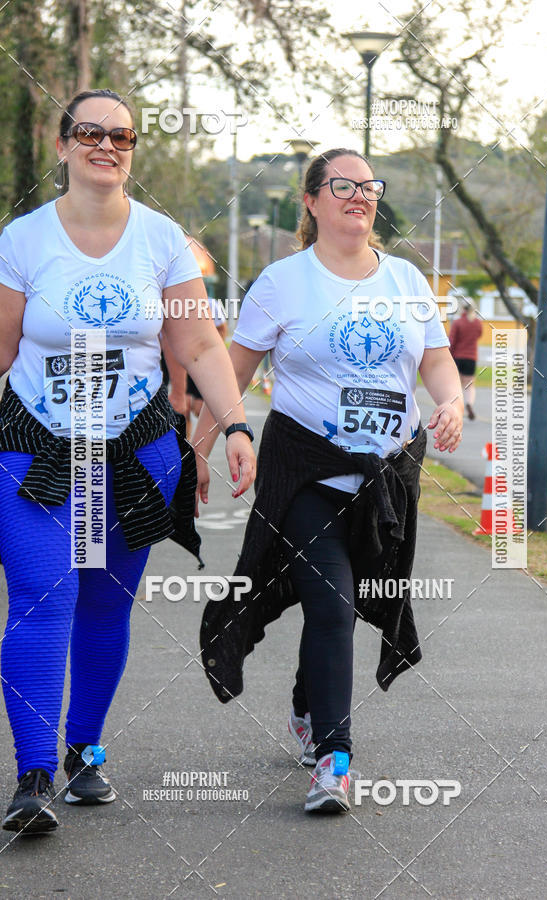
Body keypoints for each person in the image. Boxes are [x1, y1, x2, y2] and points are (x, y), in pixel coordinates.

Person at [0, 88, 256, 835]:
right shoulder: (22, 240)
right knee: (44, 597)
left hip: (136, 455)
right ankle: (33, 775)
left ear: (132, 149)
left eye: (121, 135)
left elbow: (201, 344)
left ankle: (84, 752)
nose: (105, 146)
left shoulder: (162, 239)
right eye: (89, 132)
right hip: (36, 447)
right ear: (62, 145)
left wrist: (233, 424)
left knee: (106, 605)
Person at [192, 148, 463, 814]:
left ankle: (308, 703)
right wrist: (207, 444)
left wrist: (450, 401)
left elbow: (435, 359)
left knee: (345, 601)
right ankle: (335, 763)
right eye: (342, 185)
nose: (358, 195)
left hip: (388, 478)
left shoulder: (404, 279)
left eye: (369, 186)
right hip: (306, 469)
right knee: (333, 605)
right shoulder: (284, 282)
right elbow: (235, 368)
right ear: (311, 201)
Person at [162, 240, 229, 437]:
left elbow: (221, 331)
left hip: (198, 360)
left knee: (198, 408)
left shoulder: (211, 304)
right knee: (178, 409)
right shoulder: (164, 304)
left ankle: (195, 447)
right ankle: (186, 446)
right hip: (171, 360)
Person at [449, 300, 483, 419]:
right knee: (469, 384)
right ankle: (469, 404)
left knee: (456, 384)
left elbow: (452, 340)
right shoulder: (478, 323)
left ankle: (458, 408)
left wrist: (449, 355)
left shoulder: (457, 322)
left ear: (462, 308)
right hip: (471, 358)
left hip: (458, 356)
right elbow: (479, 335)